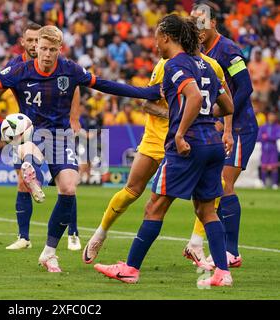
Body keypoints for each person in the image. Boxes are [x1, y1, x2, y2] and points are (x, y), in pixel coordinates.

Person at [0, 25, 161, 273]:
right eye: (43, 48)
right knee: (29, 149)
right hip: (32, 132)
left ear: (60, 49)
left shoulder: (70, 69)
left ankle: (49, 253)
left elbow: (105, 85)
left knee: (69, 188)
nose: (47, 54)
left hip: (60, 138)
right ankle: (32, 173)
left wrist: (146, 92)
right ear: (35, 47)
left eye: (53, 49)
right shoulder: (19, 70)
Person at [94, 14, 234, 287]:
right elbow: (227, 105)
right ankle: (222, 272)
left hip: (188, 147)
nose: (154, 42)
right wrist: (94, 82)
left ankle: (130, 269)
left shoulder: (174, 64)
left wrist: (181, 133)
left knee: (154, 206)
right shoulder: (205, 65)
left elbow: (193, 97)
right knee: (207, 211)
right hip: (212, 145)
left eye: (157, 36)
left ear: (167, 37)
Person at [0, 22, 83, 251]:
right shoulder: (17, 66)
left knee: (65, 182)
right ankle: (24, 237)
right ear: (24, 42)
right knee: (23, 181)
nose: (34, 44)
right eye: (30, 40)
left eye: (36, 40)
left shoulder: (58, 65)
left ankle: (73, 232)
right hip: (27, 131)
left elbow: (74, 86)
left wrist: (74, 118)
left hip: (57, 131)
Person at [186, 3, 259, 268]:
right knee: (214, 185)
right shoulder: (200, 52)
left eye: (202, 22)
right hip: (219, 128)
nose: (198, 27)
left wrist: (221, 114)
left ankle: (231, 251)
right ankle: (204, 244)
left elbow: (246, 86)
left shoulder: (228, 50)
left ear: (214, 23)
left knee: (223, 184)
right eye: (194, 22)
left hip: (240, 128)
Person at [258, 111, 279, 189]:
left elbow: (277, 136)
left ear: (275, 117)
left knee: (274, 167)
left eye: (273, 116)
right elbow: (259, 137)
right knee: (264, 167)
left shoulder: (277, 127)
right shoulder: (263, 127)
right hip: (264, 150)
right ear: (268, 116)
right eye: (270, 115)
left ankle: (275, 184)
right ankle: (263, 183)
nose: (271, 117)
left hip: (273, 150)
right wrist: (266, 137)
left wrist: (267, 137)